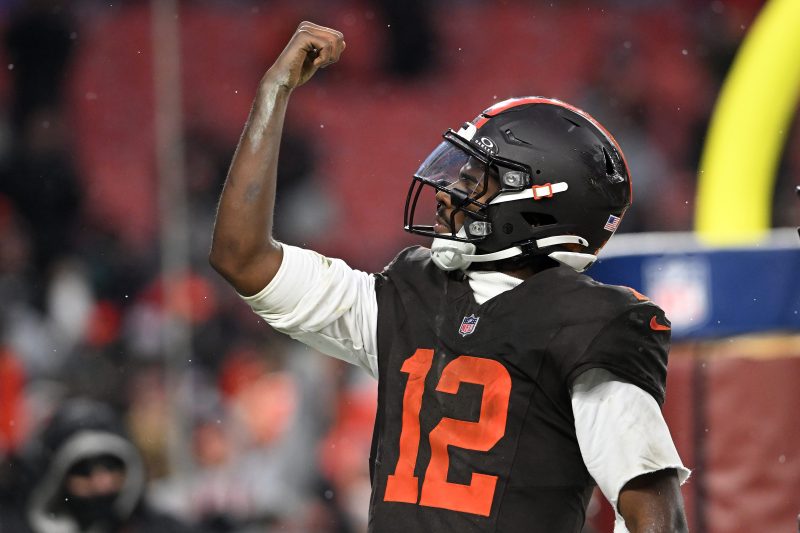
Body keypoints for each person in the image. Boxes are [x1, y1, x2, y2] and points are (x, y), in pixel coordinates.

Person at [209, 21, 690, 533]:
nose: (446, 192)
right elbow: (242, 258)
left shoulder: (588, 325)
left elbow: (654, 515)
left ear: (536, 203)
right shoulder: (410, 292)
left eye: (475, 179)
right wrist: (274, 92)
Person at [0, 398, 197, 533]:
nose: (101, 481)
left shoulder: (157, 527)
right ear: (56, 477)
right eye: (83, 469)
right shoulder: (15, 525)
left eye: (112, 465)